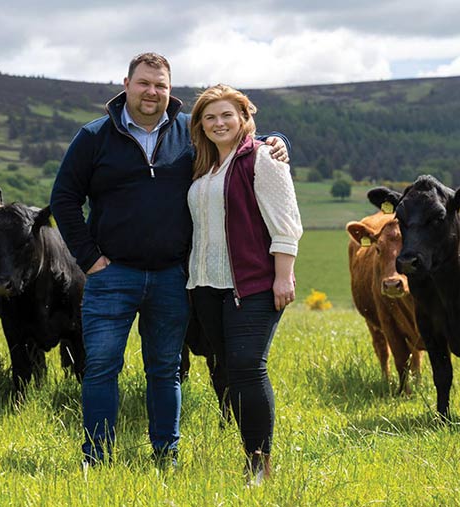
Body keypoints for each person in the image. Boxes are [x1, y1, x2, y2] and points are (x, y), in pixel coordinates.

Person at [49, 53, 289, 467]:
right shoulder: (93, 137)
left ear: (170, 89)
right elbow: (64, 199)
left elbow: (237, 140)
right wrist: (89, 259)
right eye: (144, 83)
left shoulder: (188, 133)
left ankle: (166, 454)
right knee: (102, 366)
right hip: (111, 275)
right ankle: (97, 457)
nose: (152, 92)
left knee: (164, 369)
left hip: (171, 276)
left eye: (160, 85)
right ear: (126, 84)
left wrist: (278, 141)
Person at [187, 84, 302, 485]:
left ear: (243, 117)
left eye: (226, 115)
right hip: (205, 285)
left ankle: (259, 466)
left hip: (251, 283)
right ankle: (248, 453)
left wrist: (283, 276)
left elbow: (286, 222)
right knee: (230, 372)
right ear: (200, 125)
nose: (218, 123)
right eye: (210, 117)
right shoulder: (204, 166)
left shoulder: (263, 158)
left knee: (249, 369)